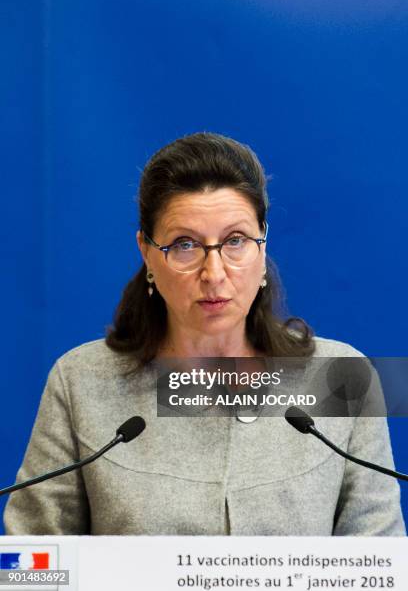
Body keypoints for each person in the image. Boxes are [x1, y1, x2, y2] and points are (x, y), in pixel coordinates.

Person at [4, 132, 405, 535]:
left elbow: (378, 559)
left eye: (235, 241)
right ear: (146, 252)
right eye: (184, 245)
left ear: (262, 246)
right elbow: (33, 566)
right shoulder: (80, 382)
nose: (213, 275)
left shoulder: (344, 378)